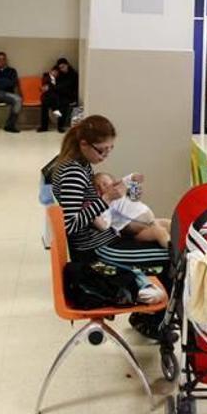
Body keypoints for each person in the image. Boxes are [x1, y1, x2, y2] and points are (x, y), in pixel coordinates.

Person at [51, 115, 170, 335]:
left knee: (165, 238)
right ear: (83, 143)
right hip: (98, 250)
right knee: (173, 257)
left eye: (110, 149)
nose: (105, 155)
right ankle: (155, 322)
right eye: (102, 150)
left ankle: (151, 317)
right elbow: (72, 224)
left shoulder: (81, 164)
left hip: (106, 239)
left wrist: (111, 197)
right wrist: (106, 199)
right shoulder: (73, 173)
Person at [93, 172, 170, 248]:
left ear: (114, 183)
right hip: (138, 233)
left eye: (104, 184)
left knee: (168, 223)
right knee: (160, 232)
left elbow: (135, 196)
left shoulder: (123, 194)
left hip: (152, 221)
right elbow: (104, 224)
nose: (101, 188)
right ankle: (173, 252)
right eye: (97, 188)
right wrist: (97, 217)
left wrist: (135, 181)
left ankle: (182, 243)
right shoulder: (106, 207)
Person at [39, 58, 78, 133]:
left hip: (68, 95)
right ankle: (44, 126)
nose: (61, 69)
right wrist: (52, 76)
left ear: (67, 65)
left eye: (63, 67)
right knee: (45, 101)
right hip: (58, 94)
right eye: (60, 67)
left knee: (62, 104)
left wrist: (50, 87)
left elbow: (64, 86)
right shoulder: (59, 73)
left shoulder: (73, 74)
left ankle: (60, 125)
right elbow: (50, 79)